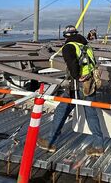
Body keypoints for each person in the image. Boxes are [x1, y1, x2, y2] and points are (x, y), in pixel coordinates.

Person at [37, 25, 105, 156]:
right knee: (91, 114)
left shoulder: (69, 47)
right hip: (89, 84)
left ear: (66, 36)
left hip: (77, 85)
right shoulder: (86, 46)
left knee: (61, 110)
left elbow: (72, 64)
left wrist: (76, 76)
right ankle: (98, 145)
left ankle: (51, 142)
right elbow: (92, 62)